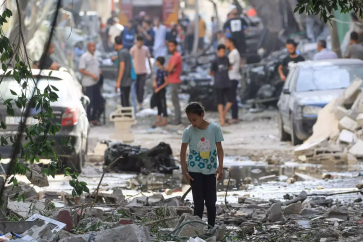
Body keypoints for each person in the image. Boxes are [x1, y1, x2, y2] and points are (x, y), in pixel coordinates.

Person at [180, 102, 224, 227]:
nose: (193, 123)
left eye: (194, 119)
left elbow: (219, 149)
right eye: (190, 120)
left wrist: (220, 167)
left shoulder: (214, 128)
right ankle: (197, 230)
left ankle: (211, 228)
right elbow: (183, 152)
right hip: (194, 171)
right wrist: (185, 172)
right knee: (198, 203)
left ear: (202, 115)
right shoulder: (188, 131)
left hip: (210, 171)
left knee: (211, 202)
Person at [210, 44, 233, 126]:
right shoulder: (215, 61)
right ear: (218, 52)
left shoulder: (226, 59)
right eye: (221, 51)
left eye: (223, 51)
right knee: (220, 102)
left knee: (230, 100)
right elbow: (211, 72)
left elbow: (230, 67)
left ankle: (223, 114)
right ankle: (222, 120)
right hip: (219, 83)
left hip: (227, 82)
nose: (222, 53)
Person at [79, 42, 101, 125]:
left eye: (94, 46)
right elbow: (81, 69)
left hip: (96, 82)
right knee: (89, 101)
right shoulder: (84, 57)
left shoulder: (95, 56)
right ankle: (87, 120)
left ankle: (94, 118)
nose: (93, 48)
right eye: (91, 46)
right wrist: (91, 74)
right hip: (88, 83)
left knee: (97, 100)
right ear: (88, 47)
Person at [130, 36, 153, 110]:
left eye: (141, 42)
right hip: (135, 72)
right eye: (139, 42)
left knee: (141, 88)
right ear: (137, 41)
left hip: (143, 71)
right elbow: (130, 60)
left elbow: (149, 59)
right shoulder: (133, 49)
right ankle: (137, 101)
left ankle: (140, 103)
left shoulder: (145, 49)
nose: (140, 43)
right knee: (136, 88)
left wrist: (150, 70)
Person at [165, 40, 183, 125]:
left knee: (175, 101)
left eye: (172, 46)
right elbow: (167, 68)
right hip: (172, 80)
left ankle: (177, 119)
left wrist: (170, 69)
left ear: (176, 46)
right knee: (174, 100)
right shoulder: (172, 57)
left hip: (175, 80)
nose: (170, 48)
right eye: (169, 46)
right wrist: (170, 68)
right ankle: (177, 118)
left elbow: (169, 68)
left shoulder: (176, 56)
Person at [114, 36, 133, 107]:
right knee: (126, 101)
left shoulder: (121, 53)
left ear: (115, 44)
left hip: (124, 82)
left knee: (124, 102)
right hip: (128, 80)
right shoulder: (126, 51)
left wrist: (118, 81)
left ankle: (126, 116)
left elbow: (122, 67)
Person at [226, 38, 241, 124]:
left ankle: (234, 117)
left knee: (232, 97)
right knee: (232, 97)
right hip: (232, 77)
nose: (226, 44)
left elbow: (228, 65)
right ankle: (234, 116)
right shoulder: (233, 53)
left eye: (227, 42)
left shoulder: (234, 53)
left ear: (231, 43)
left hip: (233, 77)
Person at [153, 57, 169, 126]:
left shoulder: (164, 71)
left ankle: (164, 120)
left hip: (161, 90)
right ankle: (159, 120)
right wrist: (154, 82)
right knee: (158, 104)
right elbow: (155, 78)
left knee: (163, 105)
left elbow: (166, 82)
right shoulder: (158, 70)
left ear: (159, 62)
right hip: (157, 90)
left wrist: (159, 88)